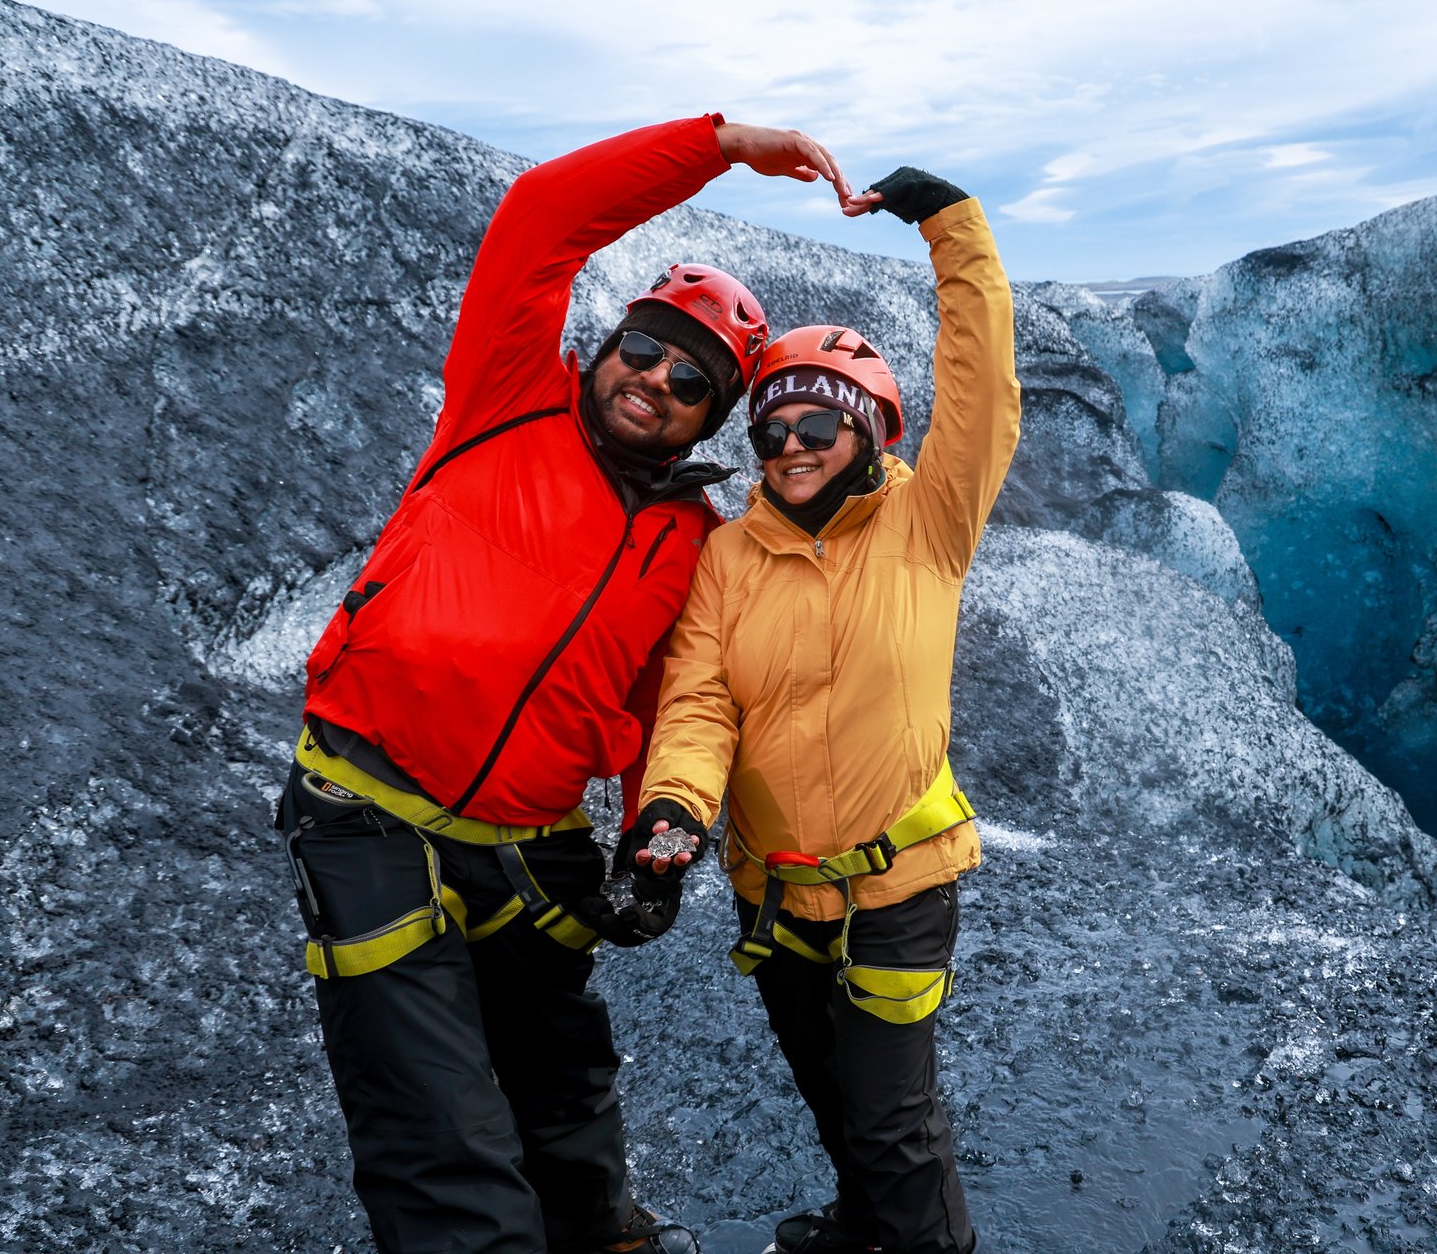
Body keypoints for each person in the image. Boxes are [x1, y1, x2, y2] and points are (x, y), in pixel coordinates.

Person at [275, 114, 861, 1254]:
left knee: (567, 1094)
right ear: (608, 342)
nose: (655, 379)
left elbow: (662, 706)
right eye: (643, 346)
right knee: (445, 1145)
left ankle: (602, 1235)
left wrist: (658, 841)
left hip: (526, 841)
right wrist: (719, 144)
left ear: (712, 414)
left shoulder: (688, 536)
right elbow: (540, 218)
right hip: (370, 813)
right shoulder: (506, 395)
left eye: (692, 378)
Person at [629, 167, 1020, 1254]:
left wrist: (951, 226)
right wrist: (672, 808)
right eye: (770, 431)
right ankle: (863, 1226)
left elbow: (984, 384)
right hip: (775, 888)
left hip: (897, 882)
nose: (790, 446)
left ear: (867, 429)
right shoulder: (729, 553)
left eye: (815, 425)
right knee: (833, 1094)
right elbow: (700, 699)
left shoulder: (928, 522)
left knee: (896, 1121)